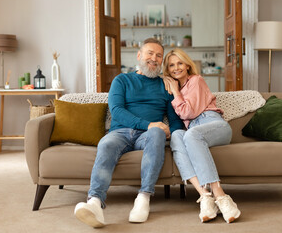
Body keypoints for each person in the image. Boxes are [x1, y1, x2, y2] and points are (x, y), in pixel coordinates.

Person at [74, 38, 184, 228]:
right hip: (120, 132)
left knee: (157, 133)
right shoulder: (122, 80)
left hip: (148, 136)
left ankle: (143, 198)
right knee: (106, 143)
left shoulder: (165, 86)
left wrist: (171, 134)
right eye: (150, 53)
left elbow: (174, 121)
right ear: (139, 55)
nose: (154, 58)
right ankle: (95, 203)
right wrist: (149, 124)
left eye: (159, 55)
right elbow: (117, 111)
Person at [162, 48, 241, 223]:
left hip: (214, 124)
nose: (176, 68)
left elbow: (188, 112)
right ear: (167, 70)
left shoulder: (196, 81)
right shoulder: (174, 87)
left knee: (191, 136)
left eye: (180, 63)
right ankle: (205, 196)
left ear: (187, 65)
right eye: (171, 65)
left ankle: (220, 195)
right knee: (177, 137)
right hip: (195, 131)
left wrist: (176, 91)